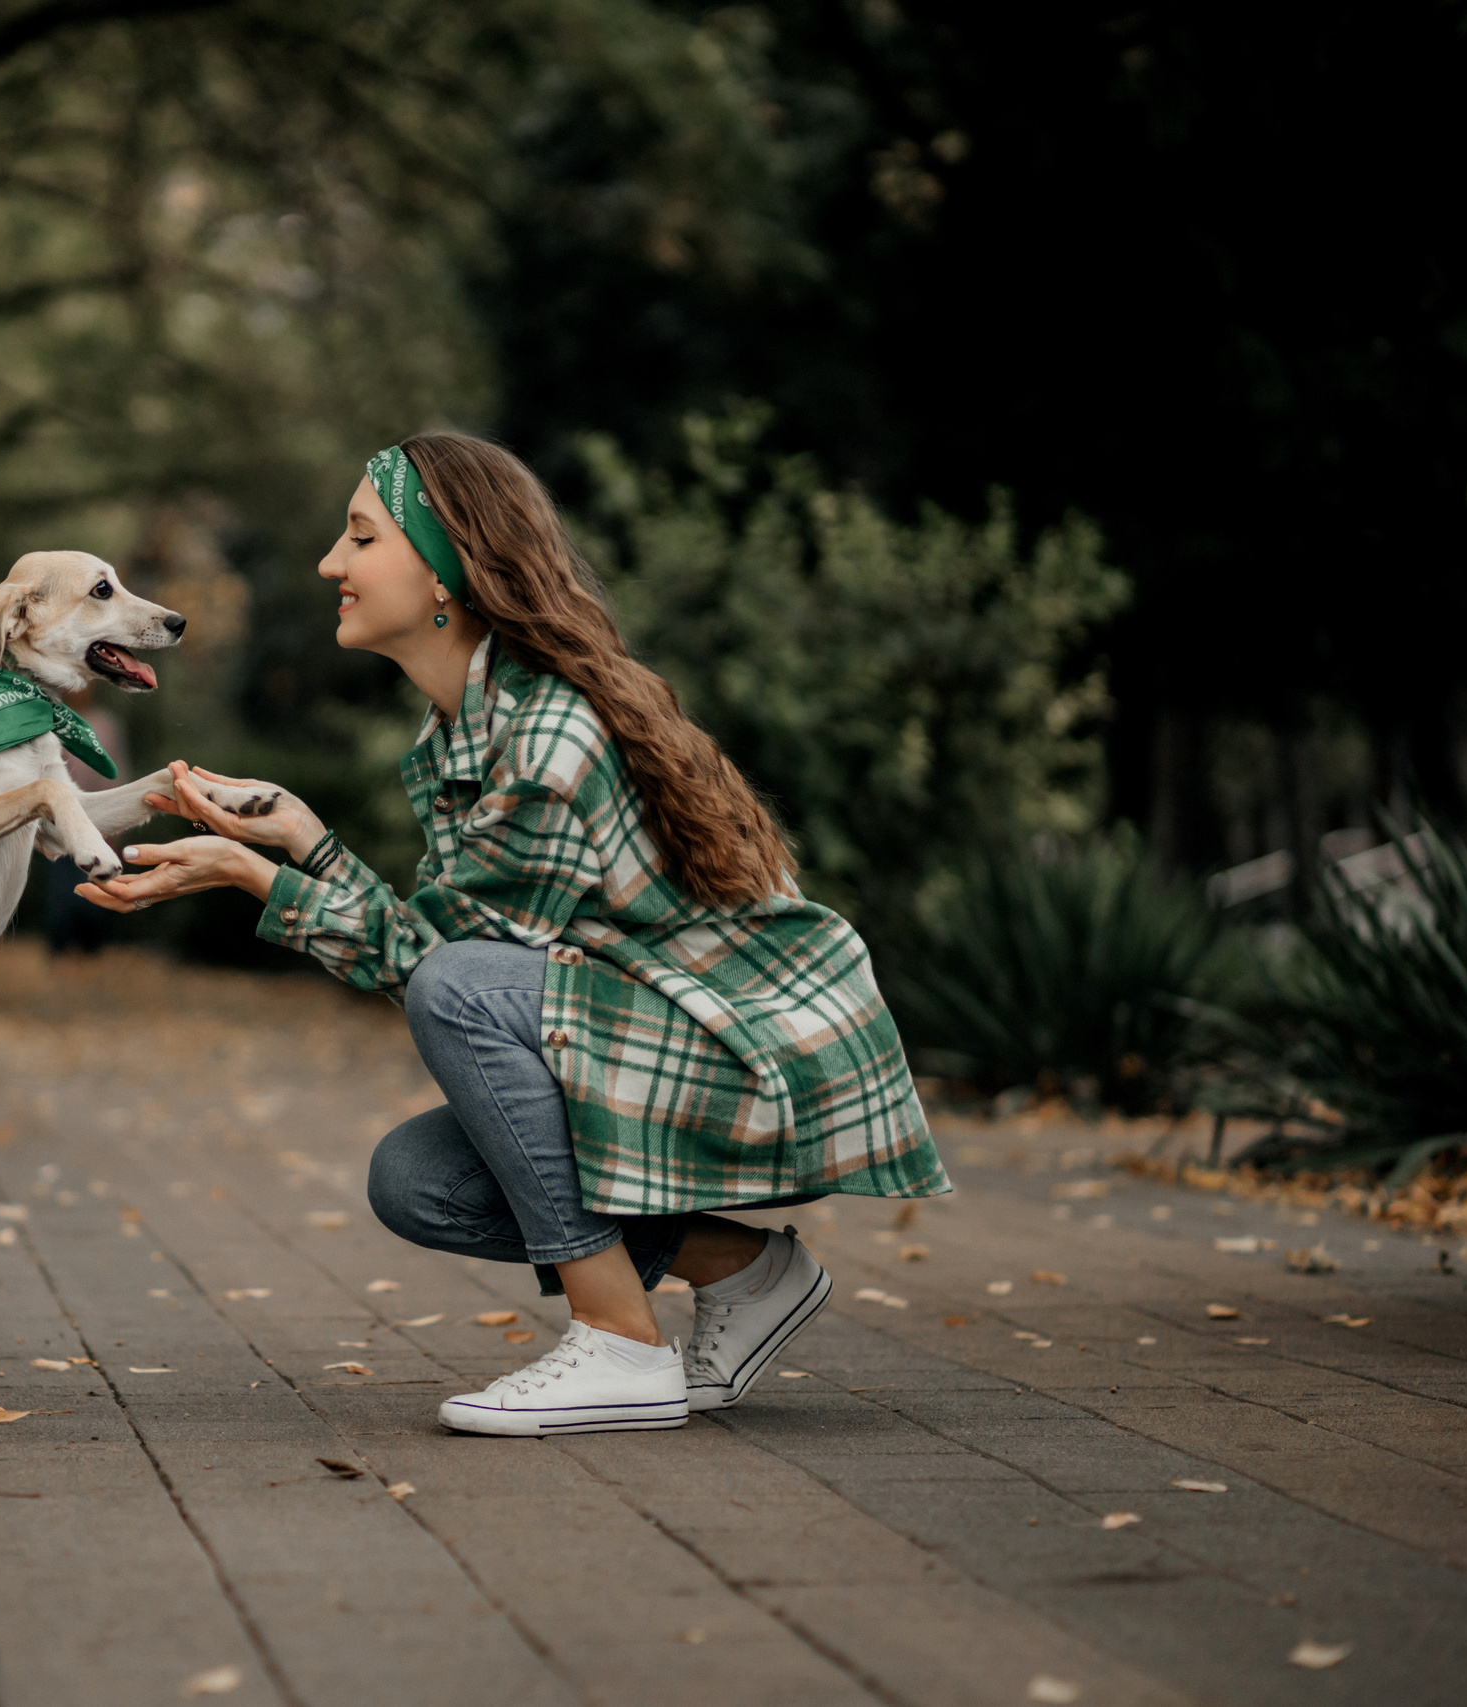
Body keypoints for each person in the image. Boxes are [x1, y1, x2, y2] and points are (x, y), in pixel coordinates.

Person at [76, 432, 948, 1437]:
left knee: (458, 990)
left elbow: (444, 976)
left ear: (446, 568)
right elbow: (445, 946)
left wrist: (254, 875)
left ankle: (620, 1343)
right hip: (654, 1038)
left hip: (738, 1052)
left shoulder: (542, 736)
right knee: (419, 1183)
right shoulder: (467, 725)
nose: (330, 563)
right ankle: (749, 1272)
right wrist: (301, 844)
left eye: (360, 537)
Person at [41, 687, 130, 956]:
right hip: (59, 820)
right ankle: (60, 947)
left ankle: (92, 948)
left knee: (97, 881)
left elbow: (116, 769)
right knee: (62, 887)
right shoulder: (53, 723)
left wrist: (118, 815)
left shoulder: (105, 724)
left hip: (98, 817)